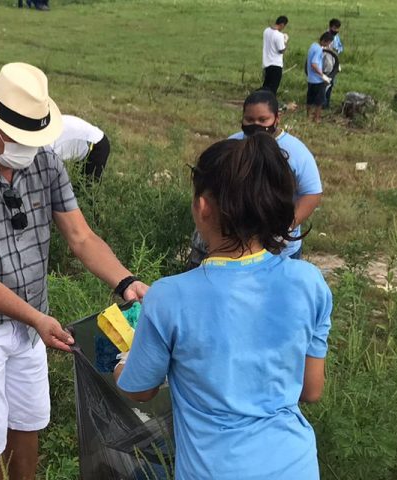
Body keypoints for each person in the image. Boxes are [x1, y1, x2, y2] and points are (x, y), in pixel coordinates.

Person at [0, 62, 149, 480]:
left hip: (29, 324)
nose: (27, 148)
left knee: (28, 423)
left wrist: (125, 281)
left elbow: (80, 237)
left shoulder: (45, 162)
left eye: (34, 136)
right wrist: (37, 319)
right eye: (19, 137)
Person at [115, 133, 331, 480]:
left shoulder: (169, 297)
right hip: (295, 466)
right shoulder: (309, 282)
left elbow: (139, 388)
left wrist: (125, 360)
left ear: (202, 206)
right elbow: (311, 389)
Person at [188, 90, 322, 266]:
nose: (256, 125)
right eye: (249, 120)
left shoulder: (297, 152)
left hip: (281, 249)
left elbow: (312, 193)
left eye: (262, 120)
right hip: (237, 246)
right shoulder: (233, 147)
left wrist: (285, 227)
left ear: (277, 118)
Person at [46, 115, 110, 181]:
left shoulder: (46, 142)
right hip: (82, 143)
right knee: (74, 183)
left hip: (96, 144)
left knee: (87, 186)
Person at [306, 32, 333, 123]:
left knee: (310, 99)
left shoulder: (313, 46)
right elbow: (314, 64)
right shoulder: (318, 50)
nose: (328, 45)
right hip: (317, 80)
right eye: (328, 43)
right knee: (319, 101)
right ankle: (317, 118)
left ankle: (308, 116)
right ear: (325, 41)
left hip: (310, 79)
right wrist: (322, 75)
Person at [260, 16, 289, 94]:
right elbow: (281, 50)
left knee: (266, 85)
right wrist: (285, 41)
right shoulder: (279, 35)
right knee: (273, 88)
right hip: (276, 64)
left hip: (266, 63)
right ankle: (269, 102)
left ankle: (262, 99)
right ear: (282, 24)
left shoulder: (266, 31)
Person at [324, 19, 344, 108]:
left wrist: (337, 50)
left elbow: (340, 47)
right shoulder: (326, 36)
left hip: (334, 63)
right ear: (330, 27)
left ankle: (327, 103)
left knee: (331, 84)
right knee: (325, 84)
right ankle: (322, 103)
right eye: (335, 28)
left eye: (338, 28)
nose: (336, 30)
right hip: (326, 63)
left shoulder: (336, 37)